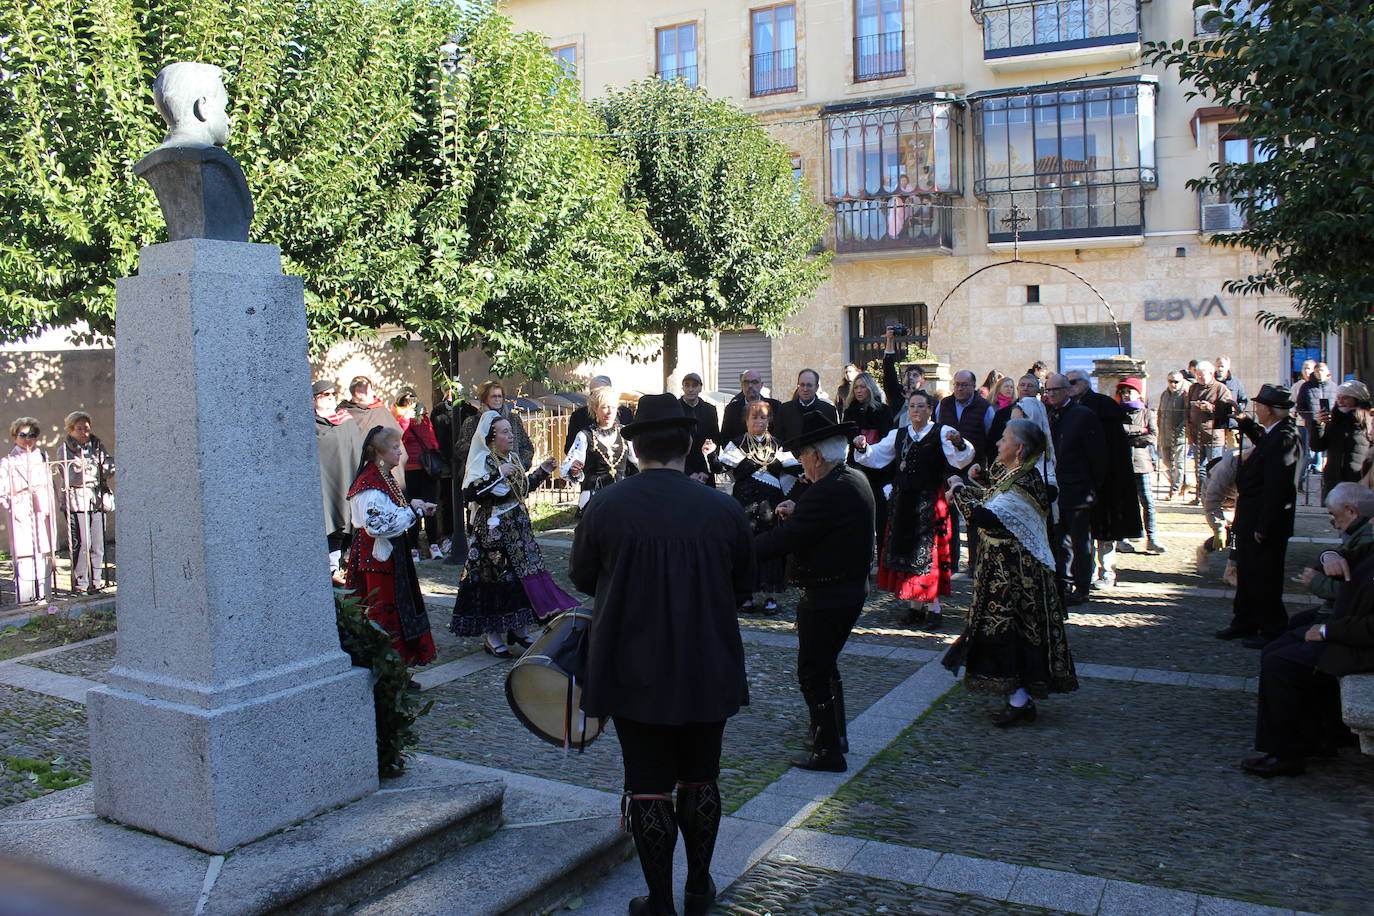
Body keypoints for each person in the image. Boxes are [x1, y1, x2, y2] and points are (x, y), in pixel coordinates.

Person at [569, 393, 754, 916]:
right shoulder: (722, 507)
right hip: (706, 660)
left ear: (636, 447)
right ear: (690, 444)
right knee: (701, 776)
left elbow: (583, 577)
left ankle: (660, 901)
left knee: (649, 785)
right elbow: (745, 583)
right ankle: (699, 889)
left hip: (633, 666)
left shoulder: (607, 505)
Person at [755, 413, 875, 773]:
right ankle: (833, 736)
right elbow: (824, 522)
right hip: (845, 590)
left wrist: (735, 548)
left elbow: (784, 540)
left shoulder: (829, 490)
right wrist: (801, 508)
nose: (801, 465)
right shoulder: (852, 478)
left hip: (829, 595)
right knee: (826, 666)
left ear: (818, 457)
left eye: (803, 457)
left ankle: (827, 750)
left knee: (813, 672)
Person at [943, 419, 1078, 726]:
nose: (998, 444)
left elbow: (984, 517)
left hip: (1016, 575)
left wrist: (958, 488)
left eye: (1004, 440)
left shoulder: (1024, 483)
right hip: (1006, 571)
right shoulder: (1017, 476)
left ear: (1018, 448)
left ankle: (1019, 701)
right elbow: (995, 500)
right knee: (1008, 631)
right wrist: (975, 484)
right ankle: (1019, 698)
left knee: (1012, 632)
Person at [1244, 484, 1374, 777]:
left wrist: (1329, 632)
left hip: (1357, 643)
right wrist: (1329, 556)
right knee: (1280, 648)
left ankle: (1286, 753)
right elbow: (1346, 551)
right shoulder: (1368, 535)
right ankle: (1312, 738)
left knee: (1281, 662)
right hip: (1349, 629)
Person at [451, 411, 574, 658]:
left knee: (522, 579)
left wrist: (543, 471)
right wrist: (498, 473)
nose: (511, 436)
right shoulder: (483, 461)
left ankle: (519, 629)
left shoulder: (514, 459)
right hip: (494, 533)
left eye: (511, 431)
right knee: (494, 581)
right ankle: (492, 636)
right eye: (505, 432)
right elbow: (470, 494)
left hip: (518, 529)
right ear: (491, 438)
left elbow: (522, 490)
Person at [852, 390, 974, 629]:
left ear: (930, 410)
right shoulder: (899, 434)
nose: (916, 411)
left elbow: (962, 459)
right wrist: (863, 446)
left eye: (921, 406)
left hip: (930, 501)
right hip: (903, 501)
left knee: (930, 556)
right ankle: (915, 608)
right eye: (912, 407)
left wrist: (959, 442)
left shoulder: (942, 432)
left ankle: (934, 609)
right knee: (908, 554)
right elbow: (875, 457)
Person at [1217, 384, 1302, 648]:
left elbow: (1279, 487)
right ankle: (1244, 621)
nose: (1257, 410)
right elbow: (1263, 443)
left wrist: (1265, 525)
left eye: (1260, 407)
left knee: (1265, 575)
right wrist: (1245, 423)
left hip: (1265, 519)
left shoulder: (1286, 436)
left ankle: (1272, 628)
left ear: (1270, 410)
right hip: (1251, 514)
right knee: (1248, 571)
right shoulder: (1275, 433)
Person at [345, 426, 437, 667]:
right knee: (382, 613)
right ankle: (387, 669)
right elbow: (376, 525)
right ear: (380, 452)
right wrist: (412, 511)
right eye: (395, 447)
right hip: (377, 560)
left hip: (390, 556)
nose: (400, 452)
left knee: (396, 611)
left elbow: (391, 512)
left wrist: (414, 506)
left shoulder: (384, 477)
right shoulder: (370, 483)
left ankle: (398, 668)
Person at [718, 401, 800, 614]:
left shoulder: (778, 445)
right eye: (754, 417)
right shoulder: (736, 445)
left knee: (771, 548)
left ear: (769, 420)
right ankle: (746, 595)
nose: (759, 421)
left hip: (770, 507)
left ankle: (770, 596)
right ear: (746, 420)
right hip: (744, 504)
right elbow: (722, 467)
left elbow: (794, 469)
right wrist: (710, 455)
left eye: (763, 417)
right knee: (745, 547)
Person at [1065, 369, 1141, 589]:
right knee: (1082, 531)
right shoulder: (1068, 408)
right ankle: (1084, 573)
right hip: (1080, 477)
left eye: (1073, 382)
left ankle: (1107, 572)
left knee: (1105, 529)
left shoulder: (1103, 405)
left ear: (1086, 383)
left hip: (1106, 477)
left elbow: (1113, 447)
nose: (1069, 386)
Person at [1042, 374, 1106, 605]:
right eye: (1047, 391)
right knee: (1060, 540)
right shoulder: (1050, 415)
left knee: (1080, 541)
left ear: (1067, 391)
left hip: (1079, 488)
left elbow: (1097, 455)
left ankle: (1082, 586)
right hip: (1057, 488)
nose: (1050, 395)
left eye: (1055, 390)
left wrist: (1092, 486)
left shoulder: (1083, 416)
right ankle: (1064, 582)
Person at [937, 369, 994, 575]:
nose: (960, 388)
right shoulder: (944, 404)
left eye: (964, 385)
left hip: (973, 470)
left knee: (973, 516)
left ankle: (974, 563)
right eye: (957, 384)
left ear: (973, 386)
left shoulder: (984, 407)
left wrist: (983, 467)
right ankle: (950, 562)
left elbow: (989, 438)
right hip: (947, 468)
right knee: (948, 516)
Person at [57, 411, 114, 594]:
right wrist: (94, 473)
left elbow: (109, 467)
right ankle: (81, 583)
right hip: (77, 501)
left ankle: (96, 581)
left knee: (97, 543)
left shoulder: (97, 446)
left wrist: (92, 473)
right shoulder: (65, 449)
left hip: (96, 500)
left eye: (86, 429)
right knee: (82, 543)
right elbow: (71, 476)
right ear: (71, 430)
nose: (84, 433)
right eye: (79, 429)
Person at [2, 418, 58, 602]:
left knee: (43, 550)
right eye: (23, 435)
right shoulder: (8, 461)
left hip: (41, 509)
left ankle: (45, 595)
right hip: (21, 509)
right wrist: (13, 504)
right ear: (15, 436)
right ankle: (27, 597)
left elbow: (50, 485)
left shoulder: (42, 457)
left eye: (32, 435)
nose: (28, 439)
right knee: (25, 552)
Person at [314, 380, 362, 584]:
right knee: (324, 520)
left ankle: (335, 566)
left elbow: (355, 452)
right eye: (325, 395)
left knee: (341, 521)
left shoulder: (346, 421)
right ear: (314, 399)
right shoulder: (309, 422)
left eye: (333, 393)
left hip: (344, 481)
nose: (331, 397)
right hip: (321, 483)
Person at [562, 385, 637, 511]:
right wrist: (575, 470)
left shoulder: (625, 433)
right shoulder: (584, 436)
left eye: (612, 407)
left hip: (622, 497)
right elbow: (567, 468)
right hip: (594, 501)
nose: (609, 412)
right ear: (595, 409)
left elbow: (638, 462)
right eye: (604, 407)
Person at [842, 371, 892, 548]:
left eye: (863, 387)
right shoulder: (849, 412)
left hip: (879, 470)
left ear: (870, 389)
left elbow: (887, 440)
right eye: (856, 387)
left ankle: (882, 562)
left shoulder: (883, 410)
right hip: (856, 469)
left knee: (881, 518)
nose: (859, 390)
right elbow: (848, 436)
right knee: (860, 518)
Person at [1116, 378, 1163, 554]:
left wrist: (1130, 434)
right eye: (1123, 391)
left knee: (1148, 502)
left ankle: (1152, 538)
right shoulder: (1117, 412)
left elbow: (1152, 436)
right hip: (1122, 463)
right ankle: (1123, 539)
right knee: (1123, 503)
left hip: (1142, 464)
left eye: (1129, 391)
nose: (1126, 394)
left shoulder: (1147, 413)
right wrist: (1137, 430)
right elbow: (1117, 433)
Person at [1310, 380, 1373, 500]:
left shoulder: (1368, 422)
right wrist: (1319, 425)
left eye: (1345, 398)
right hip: (1334, 481)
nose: (1340, 402)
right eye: (1338, 398)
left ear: (1357, 399)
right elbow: (1317, 446)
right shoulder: (1333, 420)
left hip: (1358, 481)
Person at [339, 376, 407, 486]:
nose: (373, 393)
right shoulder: (344, 415)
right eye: (370, 390)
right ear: (358, 393)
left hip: (389, 469)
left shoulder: (380, 412)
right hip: (364, 472)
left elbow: (399, 436)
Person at [457, 381, 534, 477]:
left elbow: (527, 447)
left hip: (512, 476)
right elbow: (461, 449)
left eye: (499, 396)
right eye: (493, 396)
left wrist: (519, 465)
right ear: (485, 399)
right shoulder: (473, 422)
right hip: (483, 477)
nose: (497, 399)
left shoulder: (513, 419)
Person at [1186, 360, 1235, 505]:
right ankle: (1200, 496)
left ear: (1211, 373)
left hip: (1214, 435)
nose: (1200, 377)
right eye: (1198, 375)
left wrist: (1211, 408)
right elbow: (1188, 410)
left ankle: (1214, 498)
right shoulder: (1193, 388)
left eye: (1202, 375)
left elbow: (1228, 411)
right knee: (1199, 469)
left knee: (1214, 469)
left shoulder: (1221, 389)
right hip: (1196, 434)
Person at [1296, 361, 1337, 481]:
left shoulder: (1333, 387)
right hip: (1312, 425)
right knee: (1309, 453)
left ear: (1328, 372)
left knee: (1330, 452)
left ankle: (1325, 475)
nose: (1319, 373)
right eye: (1317, 371)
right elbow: (1301, 407)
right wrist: (1312, 418)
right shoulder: (1306, 386)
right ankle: (1301, 479)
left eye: (1322, 370)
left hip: (1330, 425)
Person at [678, 372, 721, 486]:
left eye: (694, 385)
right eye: (687, 385)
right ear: (683, 387)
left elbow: (715, 439)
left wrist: (706, 469)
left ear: (700, 388)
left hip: (705, 469)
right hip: (682, 469)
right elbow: (673, 444)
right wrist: (687, 472)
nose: (690, 389)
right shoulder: (676, 409)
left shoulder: (709, 410)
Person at [776, 369, 839, 445]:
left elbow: (833, 441)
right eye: (802, 385)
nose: (805, 389)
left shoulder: (829, 410)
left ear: (817, 387)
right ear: (798, 386)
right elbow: (779, 440)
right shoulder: (784, 410)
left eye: (809, 385)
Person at [720, 369, 782, 444]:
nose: (750, 386)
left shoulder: (775, 406)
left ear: (761, 385)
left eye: (754, 382)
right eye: (746, 382)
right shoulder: (731, 409)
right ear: (741, 385)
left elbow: (781, 436)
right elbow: (725, 439)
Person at [881, 327, 925, 428]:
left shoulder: (927, 401)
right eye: (908, 374)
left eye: (915, 375)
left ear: (922, 382)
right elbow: (888, 370)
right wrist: (890, 340)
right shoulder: (896, 395)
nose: (911, 378)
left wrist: (912, 401)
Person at [1156, 371, 1190, 499]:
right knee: (1167, 463)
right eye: (1170, 381)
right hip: (1165, 435)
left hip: (1180, 436)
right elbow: (1160, 413)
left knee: (1179, 464)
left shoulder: (1185, 395)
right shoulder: (1165, 394)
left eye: (1176, 382)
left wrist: (1180, 430)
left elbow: (1186, 416)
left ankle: (1174, 491)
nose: (1173, 384)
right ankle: (1185, 484)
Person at [989, 374, 1040, 454]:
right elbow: (993, 442)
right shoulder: (1003, 413)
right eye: (1022, 385)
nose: (1025, 388)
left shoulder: (1044, 411)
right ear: (1018, 388)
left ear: (1037, 390)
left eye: (1030, 386)